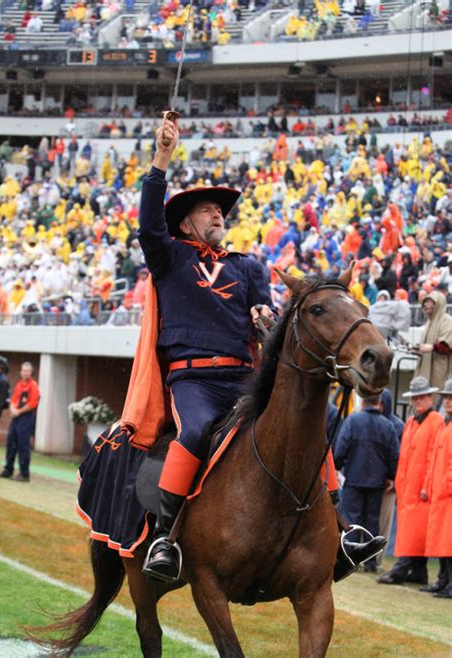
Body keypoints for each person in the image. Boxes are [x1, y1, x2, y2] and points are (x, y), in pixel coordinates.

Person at [134, 115, 385, 582]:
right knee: (195, 432)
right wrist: (161, 160)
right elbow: (148, 225)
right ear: (186, 222)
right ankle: (166, 539)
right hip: (192, 380)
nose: (218, 215)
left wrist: (265, 320)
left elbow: (261, 312)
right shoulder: (170, 255)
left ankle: (344, 529)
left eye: (221, 211)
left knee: (305, 424)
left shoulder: (248, 266)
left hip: (241, 375)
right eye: (208, 210)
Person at [378, 377, 443, 585]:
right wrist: (399, 482)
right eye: (415, 397)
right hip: (407, 488)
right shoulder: (410, 423)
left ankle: (401, 569)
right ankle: (418, 571)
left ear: (430, 398)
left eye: (421, 397)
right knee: (411, 531)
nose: (418, 401)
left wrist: (426, 486)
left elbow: (434, 456)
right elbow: (403, 456)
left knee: (414, 533)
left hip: (422, 489)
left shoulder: (436, 422)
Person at [334, 395, 399, 572]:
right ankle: (370, 562)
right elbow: (393, 454)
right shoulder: (388, 425)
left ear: (362, 402)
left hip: (354, 479)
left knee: (351, 520)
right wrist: (391, 476)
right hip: (377, 482)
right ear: (379, 403)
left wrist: (338, 466)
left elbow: (341, 448)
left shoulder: (352, 421)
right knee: (372, 522)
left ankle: (349, 559)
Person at [422, 378, 452, 598]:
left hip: (447, 493)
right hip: (441, 494)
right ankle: (443, 580)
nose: (448, 401)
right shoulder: (445, 425)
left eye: (451, 398)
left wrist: (446, 485)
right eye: (447, 397)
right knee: (442, 541)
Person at [0, 362, 40, 482]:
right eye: (23, 370)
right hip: (16, 417)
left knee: (23, 445)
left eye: (27, 371)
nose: (25, 373)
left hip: (26, 417)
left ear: (31, 373)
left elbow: (33, 403)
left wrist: (19, 411)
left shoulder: (33, 385)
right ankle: (8, 469)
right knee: (11, 442)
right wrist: (13, 409)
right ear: (20, 372)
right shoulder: (19, 385)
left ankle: (24, 474)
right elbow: (13, 399)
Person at [378, 389, 405, 563]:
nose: (378, 406)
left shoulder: (397, 426)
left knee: (385, 523)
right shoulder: (393, 424)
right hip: (373, 482)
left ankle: (378, 558)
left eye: (381, 402)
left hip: (388, 483)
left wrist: (395, 479)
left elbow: (400, 455)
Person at [413, 291, 452, 398]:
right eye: (424, 302)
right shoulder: (429, 322)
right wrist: (418, 349)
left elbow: (447, 346)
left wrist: (432, 347)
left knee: (436, 398)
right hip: (424, 367)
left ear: (438, 303)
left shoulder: (447, 321)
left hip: (439, 368)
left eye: (429, 302)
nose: (425, 304)